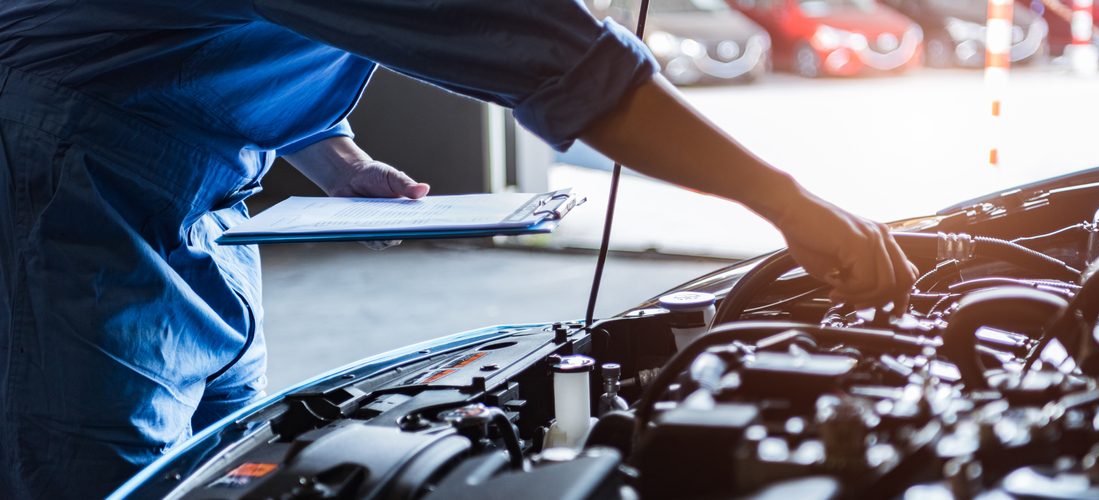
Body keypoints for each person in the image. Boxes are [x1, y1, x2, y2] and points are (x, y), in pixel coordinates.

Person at [0, 0, 917, 496]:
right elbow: (572, 69)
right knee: (106, 476)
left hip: (186, 180)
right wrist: (793, 206)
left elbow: (215, 29)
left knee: (229, 464)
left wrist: (330, 150)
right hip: (69, 172)